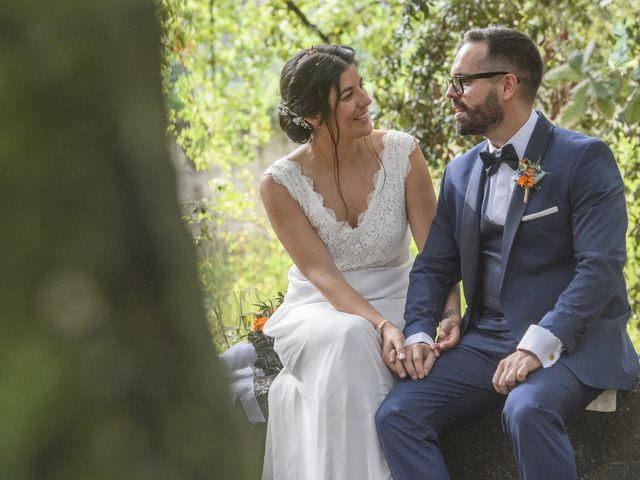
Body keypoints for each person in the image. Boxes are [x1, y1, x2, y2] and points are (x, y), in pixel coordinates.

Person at [376, 26, 639, 480]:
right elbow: (435, 263)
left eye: (462, 82)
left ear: (507, 84)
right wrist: (419, 330)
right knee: (397, 415)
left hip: (571, 342)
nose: (450, 93)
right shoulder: (460, 172)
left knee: (527, 409)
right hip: (484, 342)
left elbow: (600, 268)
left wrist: (540, 345)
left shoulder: (584, 158)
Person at [259, 44, 460, 480]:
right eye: (348, 95)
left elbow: (435, 254)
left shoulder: (402, 153)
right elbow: (321, 274)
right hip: (322, 308)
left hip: (404, 297)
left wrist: (447, 315)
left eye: (362, 87)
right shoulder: (279, 183)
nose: (366, 101)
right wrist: (383, 327)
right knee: (351, 337)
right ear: (313, 114)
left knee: (360, 341)